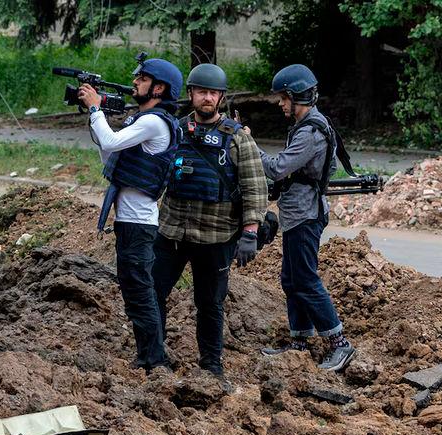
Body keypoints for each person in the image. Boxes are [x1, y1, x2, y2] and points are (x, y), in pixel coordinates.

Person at [152, 63, 268, 378]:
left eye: (213, 93)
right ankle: (153, 354)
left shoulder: (237, 138)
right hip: (173, 230)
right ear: (191, 94)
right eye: (202, 92)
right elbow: (155, 172)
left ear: (220, 98)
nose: (207, 98)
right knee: (153, 290)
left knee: (210, 303)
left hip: (216, 236)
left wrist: (250, 232)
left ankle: (211, 365)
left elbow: (256, 186)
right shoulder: (174, 130)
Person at [78, 57, 183, 372]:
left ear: (159, 88)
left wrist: (97, 109)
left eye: (142, 78)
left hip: (139, 225)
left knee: (140, 290)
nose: (135, 82)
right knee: (134, 289)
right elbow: (110, 152)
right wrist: (95, 117)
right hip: (129, 222)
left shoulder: (154, 122)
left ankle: (155, 358)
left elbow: (110, 139)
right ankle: (147, 355)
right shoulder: (145, 120)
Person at [257, 64, 356, 372]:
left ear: (298, 96)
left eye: (284, 98)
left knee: (305, 279)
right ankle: (300, 342)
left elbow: (277, 167)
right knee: (291, 279)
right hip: (297, 211)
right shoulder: (305, 125)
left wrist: (247, 145)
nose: (280, 103)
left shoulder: (311, 132)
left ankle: (340, 343)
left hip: (305, 214)